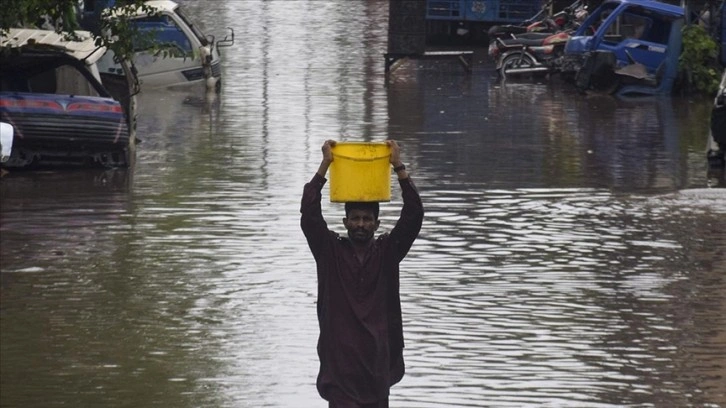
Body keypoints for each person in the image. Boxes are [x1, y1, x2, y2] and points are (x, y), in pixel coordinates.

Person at [300, 139, 424, 408]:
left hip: (376, 366)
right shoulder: (329, 251)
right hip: (340, 369)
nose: (360, 224)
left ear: (377, 224)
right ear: (345, 222)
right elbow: (309, 215)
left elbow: (414, 215)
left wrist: (398, 166)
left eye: (367, 219)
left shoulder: (388, 253)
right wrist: (325, 165)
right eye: (355, 218)